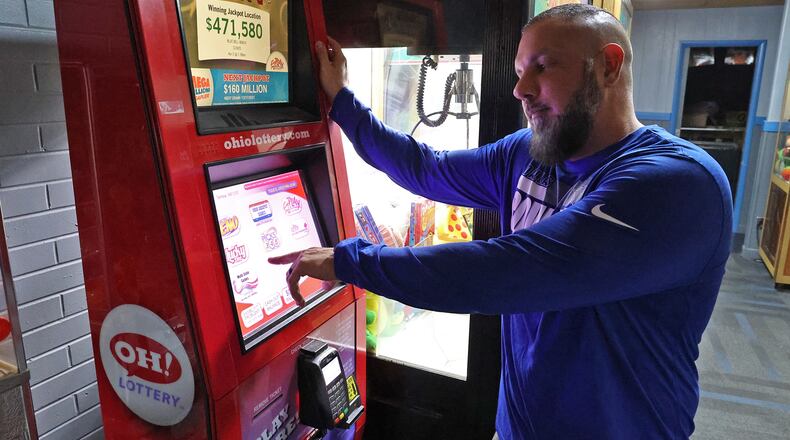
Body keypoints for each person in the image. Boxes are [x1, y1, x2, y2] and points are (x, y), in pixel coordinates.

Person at [270, 4, 732, 439]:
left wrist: (352, 262)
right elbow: (425, 168)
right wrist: (343, 101)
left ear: (609, 66)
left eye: (543, 66)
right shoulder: (527, 153)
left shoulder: (677, 185)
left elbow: (508, 269)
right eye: (518, 71)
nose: (520, 89)